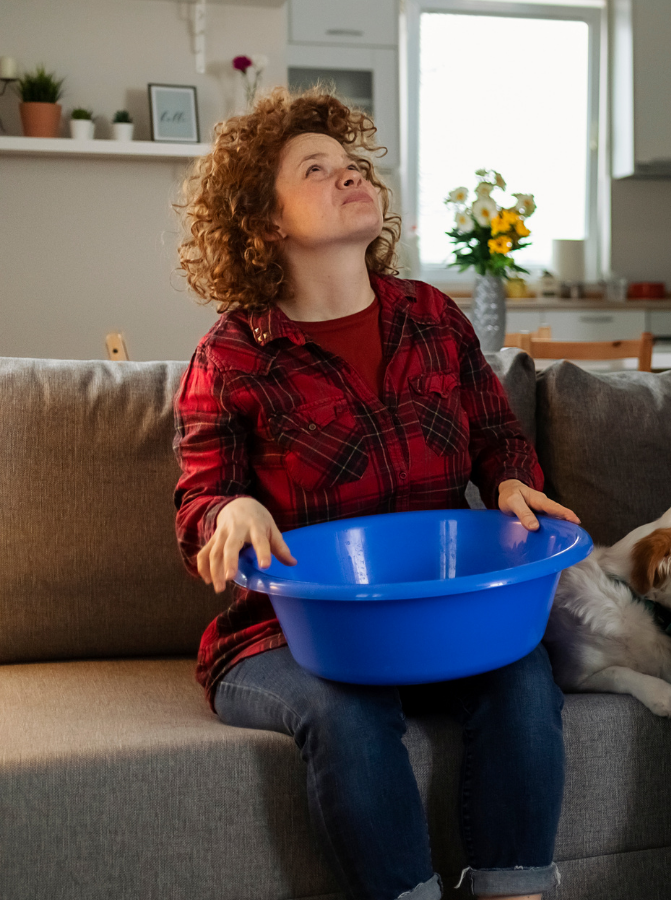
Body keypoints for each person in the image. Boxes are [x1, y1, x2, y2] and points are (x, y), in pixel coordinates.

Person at [172, 88, 577, 900]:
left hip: (438, 616)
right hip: (290, 636)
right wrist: (232, 511)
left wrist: (510, 480)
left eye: (353, 165)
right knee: (347, 716)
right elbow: (199, 508)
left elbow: (499, 436)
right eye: (316, 170)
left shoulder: (433, 316)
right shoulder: (229, 356)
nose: (349, 175)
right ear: (266, 223)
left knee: (526, 683)